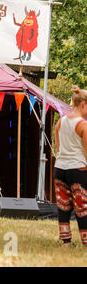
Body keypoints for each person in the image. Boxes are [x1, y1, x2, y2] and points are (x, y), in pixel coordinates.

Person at [54, 86, 87, 247]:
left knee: (63, 204)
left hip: (60, 168)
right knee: (82, 205)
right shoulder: (83, 125)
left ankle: (66, 242)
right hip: (78, 169)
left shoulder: (61, 121)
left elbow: (58, 147)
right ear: (84, 104)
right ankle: (86, 241)